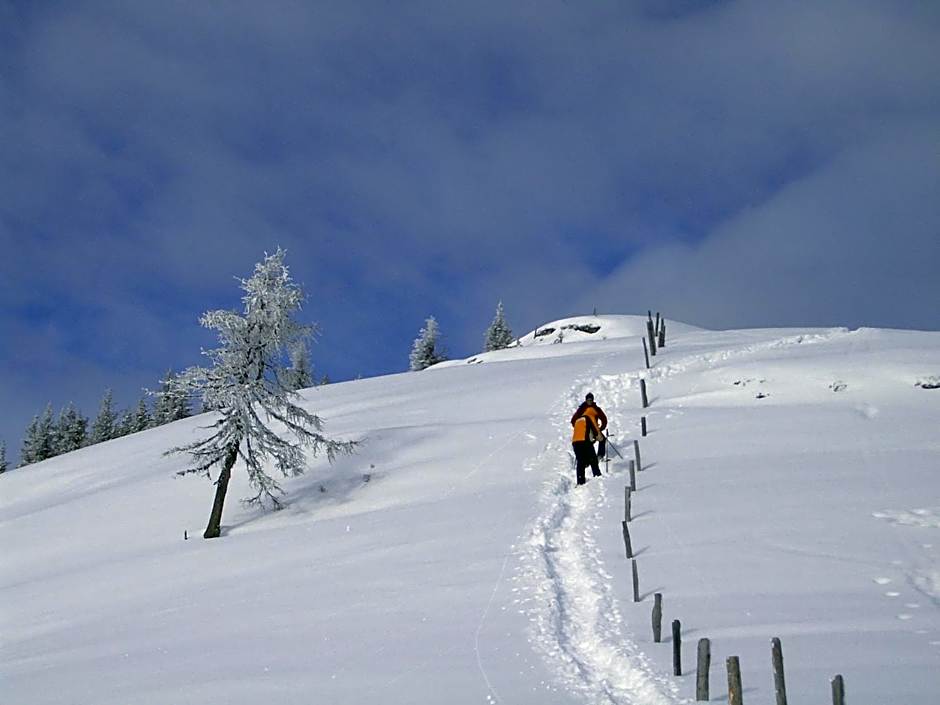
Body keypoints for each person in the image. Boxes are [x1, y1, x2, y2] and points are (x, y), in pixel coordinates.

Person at [571, 393, 605, 485]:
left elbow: (573, 422)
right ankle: (597, 475)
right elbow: (594, 430)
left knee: (580, 462)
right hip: (585, 439)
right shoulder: (588, 418)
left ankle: (580, 481)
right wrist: (598, 435)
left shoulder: (579, 418)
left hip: (575, 441)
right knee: (593, 459)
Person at [571, 392, 608, 458]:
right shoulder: (581, 409)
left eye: (591, 400)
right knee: (586, 443)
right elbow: (573, 420)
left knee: (602, 439)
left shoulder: (596, 408)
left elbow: (604, 419)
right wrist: (578, 428)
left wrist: (601, 428)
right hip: (584, 430)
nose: (589, 401)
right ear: (586, 400)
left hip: (594, 429)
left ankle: (600, 455)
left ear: (593, 400)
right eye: (588, 400)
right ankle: (586, 459)